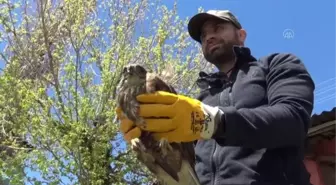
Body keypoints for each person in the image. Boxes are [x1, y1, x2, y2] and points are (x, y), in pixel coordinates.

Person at [117, 10, 315, 185]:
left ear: (241, 34)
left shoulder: (276, 65)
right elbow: (186, 160)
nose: (209, 37)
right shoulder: (200, 98)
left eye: (218, 28)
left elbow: (293, 119)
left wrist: (214, 122)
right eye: (203, 36)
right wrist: (151, 139)